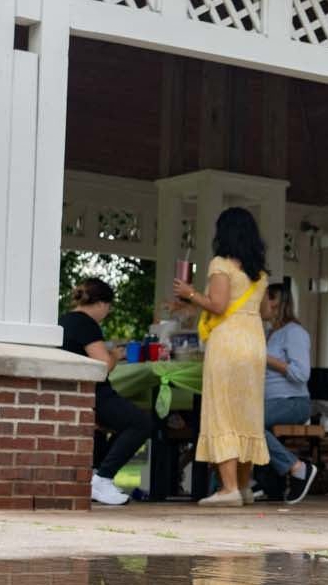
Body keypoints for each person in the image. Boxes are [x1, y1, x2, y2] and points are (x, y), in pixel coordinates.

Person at [173, 207, 271, 507]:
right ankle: (242, 487)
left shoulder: (220, 264)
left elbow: (217, 305)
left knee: (223, 411)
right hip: (254, 341)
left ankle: (227, 488)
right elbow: (266, 312)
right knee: (247, 413)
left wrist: (189, 293)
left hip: (228, 342)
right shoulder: (260, 273)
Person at [59, 276, 153, 506]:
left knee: (121, 424)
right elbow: (103, 365)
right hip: (95, 392)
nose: (107, 313)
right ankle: (103, 478)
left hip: (74, 391)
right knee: (142, 423)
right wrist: (116, 355)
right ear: (101, 304)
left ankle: (98, 476)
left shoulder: (64, 320)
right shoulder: (86, 323)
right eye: (108, 308)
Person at [259, 282, 316, 503]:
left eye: (262, 299)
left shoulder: (294, 333)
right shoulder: (268, 334)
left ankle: (298, 468)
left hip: (293, 402)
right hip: (271, 402)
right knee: (241, 419)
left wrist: (266, 358)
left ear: (274, 301)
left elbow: (302, 374)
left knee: (248, 422)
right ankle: (266, 480)